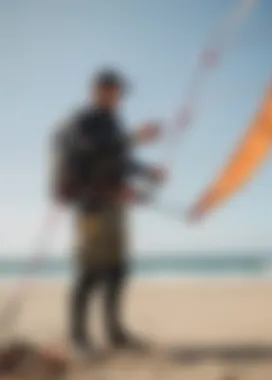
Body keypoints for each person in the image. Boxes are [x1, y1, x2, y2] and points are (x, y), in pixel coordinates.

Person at [50, 68, 165, 354]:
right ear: (97, 90)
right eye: (111, 90)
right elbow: (91, 151)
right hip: (91, 205)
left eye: (119, 92)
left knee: (119, 270)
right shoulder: (82, 121)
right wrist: (134, 137)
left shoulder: (113, 123)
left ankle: (115, 333)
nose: (116, 96)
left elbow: (120, 160)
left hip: (114, 205)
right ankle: (78, 338)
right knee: (89, 272)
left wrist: (147, 172)